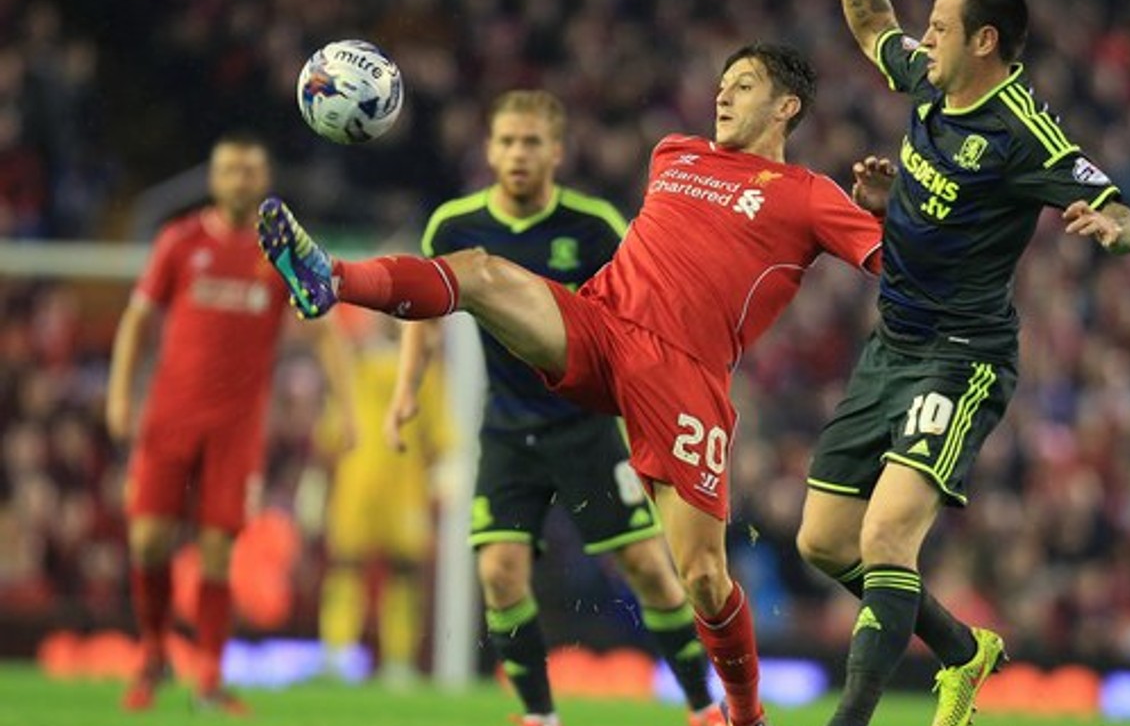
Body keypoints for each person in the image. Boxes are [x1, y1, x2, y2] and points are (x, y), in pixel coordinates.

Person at [257, 43, 885, 726]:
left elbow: (899, 265)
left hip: (683, 375)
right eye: (722, 83)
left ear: (785, 107)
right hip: (598, 325)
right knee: (478, 270)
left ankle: (743, 714)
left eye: (742, 86)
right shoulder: (676, 153)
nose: (722, 96)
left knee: (701, 574)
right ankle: (331, 278)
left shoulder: (809, 195)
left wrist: (880, 214)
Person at [795, 0, 1130, 726]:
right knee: (822, 541)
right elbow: (870, 24)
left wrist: (1110, 228)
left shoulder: (1022, 127)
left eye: (941, 28)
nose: (925, 39)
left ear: (985, 41)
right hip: (891, 344)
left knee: (887, 534)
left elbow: (1122, 212)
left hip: (963, 356)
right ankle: (960, 650)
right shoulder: (929, 80)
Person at [387, 89, 726, 726]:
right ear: (489, 150)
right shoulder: (455, 228)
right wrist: (408, 389)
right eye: (508, 141)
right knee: (500, 574)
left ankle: (705, 707)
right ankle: (540, 718)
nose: (519, 153)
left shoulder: (594, 226)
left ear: (557, 151)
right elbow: (423, 315)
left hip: (586, 427)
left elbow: (637, 315)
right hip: (509, 430)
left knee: (650, 569)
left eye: (532, 141)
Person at [107, 131, 356, 715]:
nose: (238, 180)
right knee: (148, 541)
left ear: (264, 181)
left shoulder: (280, 252)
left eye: (248, 171)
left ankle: (210, 679)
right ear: (213, 178)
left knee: (219, 552)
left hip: (238, 427)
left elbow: (324, 334)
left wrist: (344, 409)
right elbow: (137, 322)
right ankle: (152, 653)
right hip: (169, 420)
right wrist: (121, 396)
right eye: (228, 170)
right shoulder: (180, 241)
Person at [316, 311, 448, 690]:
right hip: (355, 479)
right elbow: (332, 428)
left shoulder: (425, 365)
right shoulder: (354, 360)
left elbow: (439, 431)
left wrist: (442, 472)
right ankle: (338, 653)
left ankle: (398, 661)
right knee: (346, 565)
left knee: (404, 569)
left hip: (405, 481)